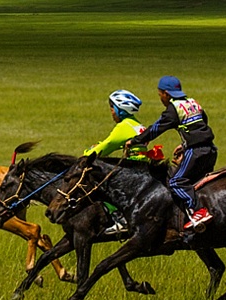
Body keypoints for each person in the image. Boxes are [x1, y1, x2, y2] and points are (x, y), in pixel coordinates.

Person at [126, 76, 217, 230]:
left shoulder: (174, 109)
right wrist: (185, 144)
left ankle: (198, 211)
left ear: (166, 94)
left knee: (176, 181)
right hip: (211, 149)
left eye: (160, 94)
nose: (161, 98)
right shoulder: (193, 103)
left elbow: (156, 129)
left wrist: (135, 141)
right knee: (197, 183)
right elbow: (202, 124)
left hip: (196, 152)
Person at [86, 90, 161, 235]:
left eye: (112, 108)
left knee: (100, 186)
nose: (111, 112)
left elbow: (107, 146)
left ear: (120, 110)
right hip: (143, 166)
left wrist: (87, 154)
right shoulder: (136, 124)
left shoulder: (123, 127)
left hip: (132, 167)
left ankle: (119, 218)